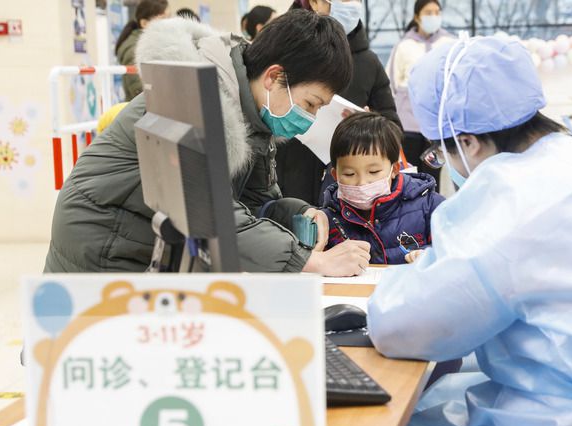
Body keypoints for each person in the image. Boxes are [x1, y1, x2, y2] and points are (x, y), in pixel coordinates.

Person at [366, 35, 572, 426]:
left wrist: (398, 286)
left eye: (442, 152)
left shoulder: (511, 195)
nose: (446, 164)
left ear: (468, 142)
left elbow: (401, 327)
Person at [45, 11, 371, 277]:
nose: (310, 118)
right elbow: (213, 218)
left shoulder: (252, 114)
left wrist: (301, 213)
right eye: (310, 103)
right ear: (273, 77)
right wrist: (312, 262)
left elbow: (257, 202)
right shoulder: (188, 102)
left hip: (145, 243)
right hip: (105, 248)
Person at [275, 0, 401, 207]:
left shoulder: (369, 62)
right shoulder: (283, 53)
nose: (351, 5)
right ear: (315, 3)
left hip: (347, 189)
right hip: (289, 179)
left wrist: (369, 125)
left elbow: (393, 127)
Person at [321, 112, 444, 265]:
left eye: (373, 172)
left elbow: (454, 250)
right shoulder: (328, 219)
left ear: (394, 169)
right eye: (349, 174)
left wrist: (430, 255)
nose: (362, 183)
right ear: (335, 175)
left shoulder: (429, 206)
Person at [387, 0, 455, 190]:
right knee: (409, 175)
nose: (433, 16)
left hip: (437, 127)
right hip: (409, 125)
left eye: (437, 12)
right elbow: (391, 83)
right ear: (417, 17)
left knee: (433, 177)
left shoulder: (449, 43)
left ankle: (432, 208)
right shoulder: (404, 45)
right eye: (428, 12)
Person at [115, 0, 170, 102]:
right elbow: (138, 90)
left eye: (169, 18)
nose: (169, 24)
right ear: (144, 23)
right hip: (144, 108)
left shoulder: (156, 44)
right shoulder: (134, 49)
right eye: (163, 19)